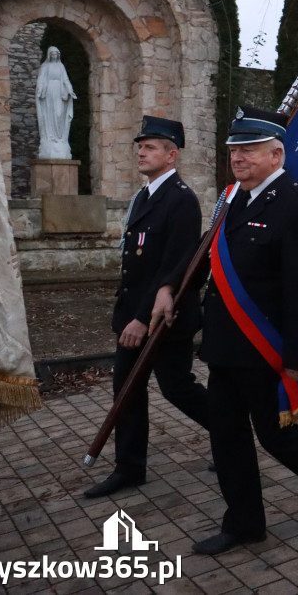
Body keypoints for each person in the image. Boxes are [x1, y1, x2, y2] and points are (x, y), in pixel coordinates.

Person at [153, 106, 298, 555]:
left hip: (266, 347)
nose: (238, 158)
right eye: (234, 150)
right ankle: (243, 523)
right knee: (226, 437)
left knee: (280, 438)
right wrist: (169, 286)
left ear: (276, 155)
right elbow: (206, 253)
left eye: (249, 150)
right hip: (224, 345)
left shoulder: (297, 206)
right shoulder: (233, 198)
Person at [83, 115, 209, 499]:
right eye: (140, 146)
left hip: (162, 318)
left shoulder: (181, 200)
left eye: (150, 147)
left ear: (172, 155)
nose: (141, 151)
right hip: (134, 311)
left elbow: (173, 268)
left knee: (177, 388)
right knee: (128, 389)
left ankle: (229, 428)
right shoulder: (145, 196)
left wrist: (141, 320)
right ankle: (130, 467)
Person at [35, 45, 76, 159]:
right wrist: (40, 90)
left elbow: (66, 80)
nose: (54, 56)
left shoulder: (60, 66)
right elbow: (41, 80)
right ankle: (50, 137)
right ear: (49, 55)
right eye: (52, 54)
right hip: (49, 92)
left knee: (59, 114)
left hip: (59, 92)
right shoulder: (45, 66)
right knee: (50, 114)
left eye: (56, 54)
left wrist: (70, 90)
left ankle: (60, 138)